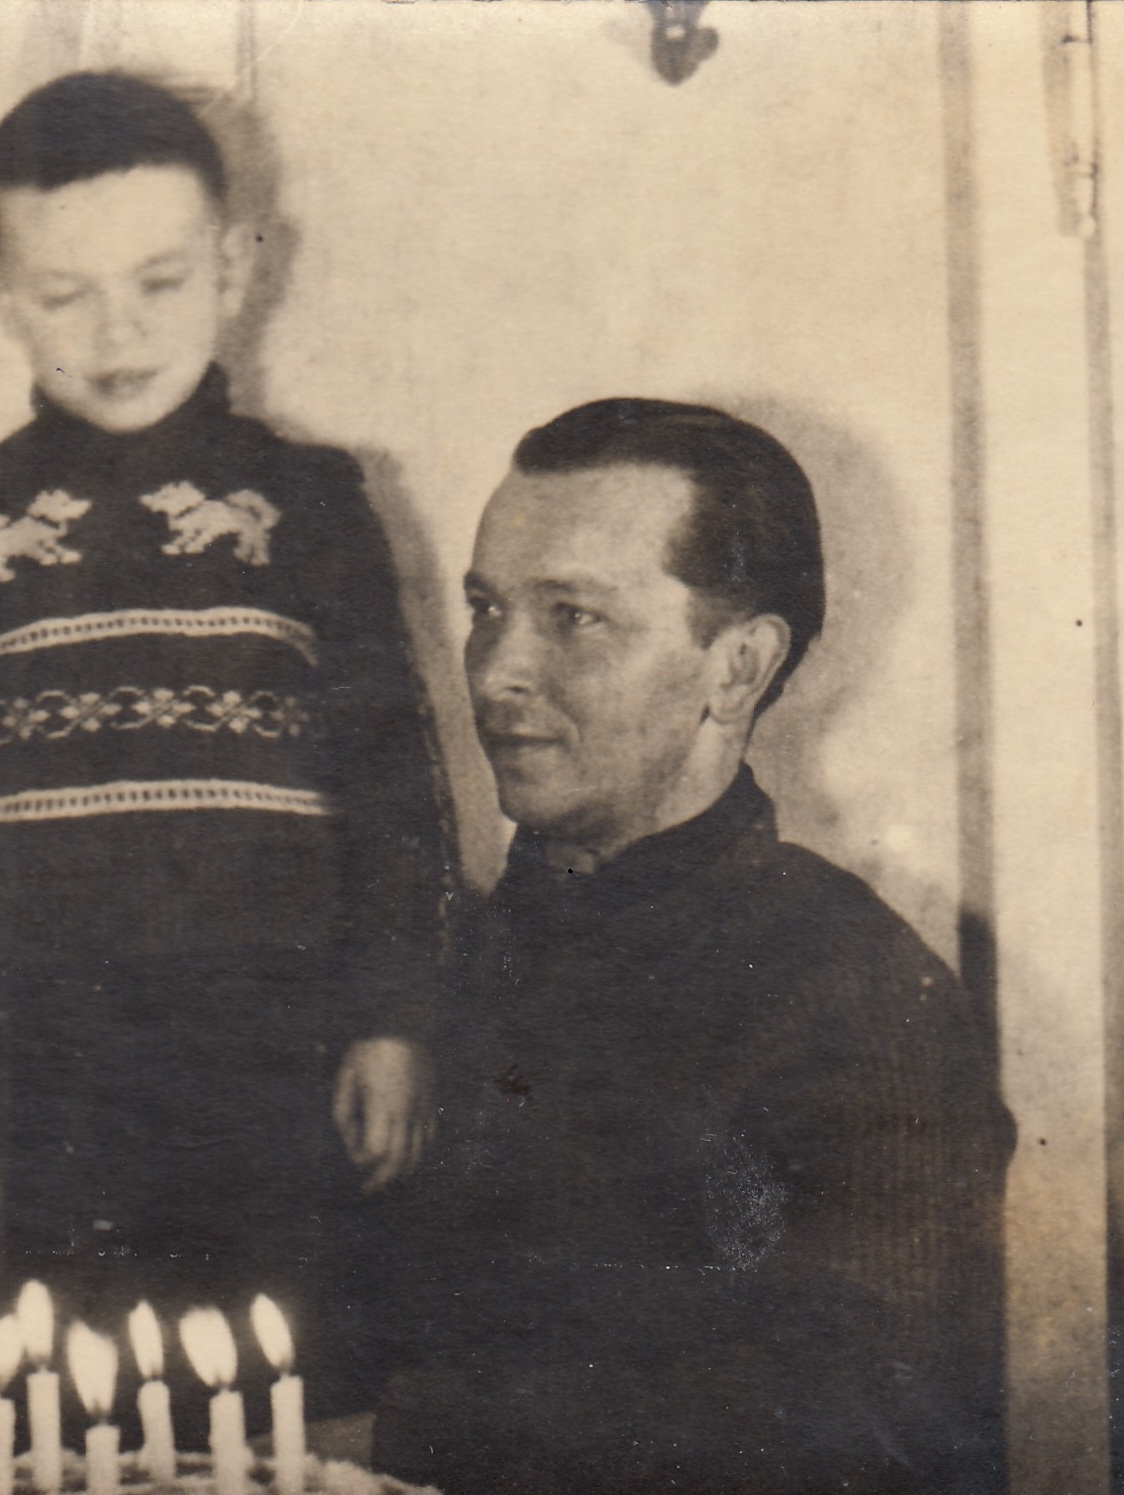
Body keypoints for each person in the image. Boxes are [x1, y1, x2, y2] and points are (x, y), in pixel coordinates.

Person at [0, 71, 450, 1404]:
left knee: (283, 1401)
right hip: (27, 1064)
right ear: (1, 295)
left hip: (273, 1049)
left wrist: (393, 1021)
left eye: (160, 282)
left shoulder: (311, 502)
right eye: (63, 295)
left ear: (235, 267)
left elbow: (394, 785)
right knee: (59, 1409)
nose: (116, 330)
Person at [374, 400, 1014, 1494]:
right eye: (487, 609)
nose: (492, 673)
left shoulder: (856, 993)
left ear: (737, 667)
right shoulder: (444, 956)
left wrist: (396, 1438)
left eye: (574, 617)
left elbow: (862, 1422)